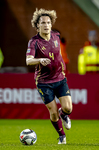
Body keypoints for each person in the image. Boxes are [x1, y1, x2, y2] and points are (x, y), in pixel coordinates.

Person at [26, 8, 72, 144]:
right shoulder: (34, 42)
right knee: (53, 112)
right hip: (44, 82)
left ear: (51, 24)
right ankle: (62, 136)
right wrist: (39, 60)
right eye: (43, 23)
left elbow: (59, 57)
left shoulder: (57, 36)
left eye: (48, 22)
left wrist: (63, 69)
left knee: (68, 108)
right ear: (37, 25)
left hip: (60, 79)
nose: (46, 25)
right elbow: (28, 60)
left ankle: (64, 115)